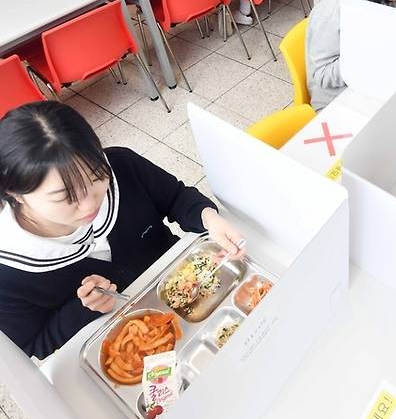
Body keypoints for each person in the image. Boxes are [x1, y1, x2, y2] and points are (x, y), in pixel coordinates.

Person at [0, 102, 245, 360]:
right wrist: (83, 308)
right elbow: (35, 345)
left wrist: (208, 218)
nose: (90, 204)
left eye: (96, 176)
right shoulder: (8, 272)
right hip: (133, 348)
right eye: (65, 196)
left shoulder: (121, 165)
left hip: (195, 290)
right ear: (15, 193)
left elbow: (176, 197)